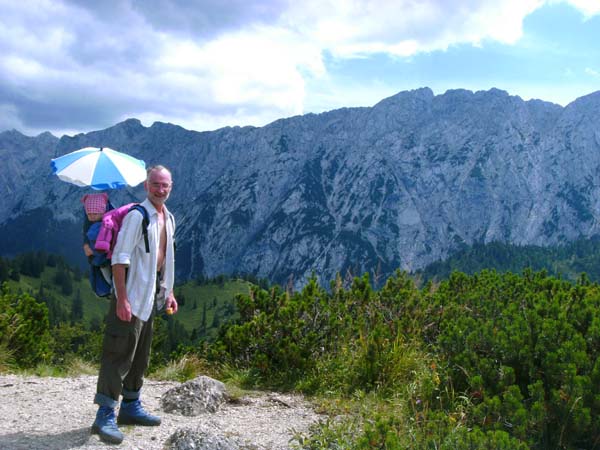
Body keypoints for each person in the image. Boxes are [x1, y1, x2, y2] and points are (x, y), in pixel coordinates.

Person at [91, 165, 177, 445]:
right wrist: (122, 298)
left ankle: (130, 407)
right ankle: (105, 414)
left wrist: (169, 291)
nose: (160, 189)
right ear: (146, 185)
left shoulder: (169, 218)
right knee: (118, 353)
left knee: (140, 354)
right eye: (155, 184)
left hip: (150, 296)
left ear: (171, 186)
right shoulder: (136, 217)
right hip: (130, 295)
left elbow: (165, 259)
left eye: (165, 185)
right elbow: (119, 257)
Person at [81, 192, 110, 258]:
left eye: (95, 214)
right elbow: (85, 232)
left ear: (102, 212)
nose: (92, 217)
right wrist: (86, 245)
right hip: (93, 251)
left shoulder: (107, 222)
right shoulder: (88, 222)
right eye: (89, 214)